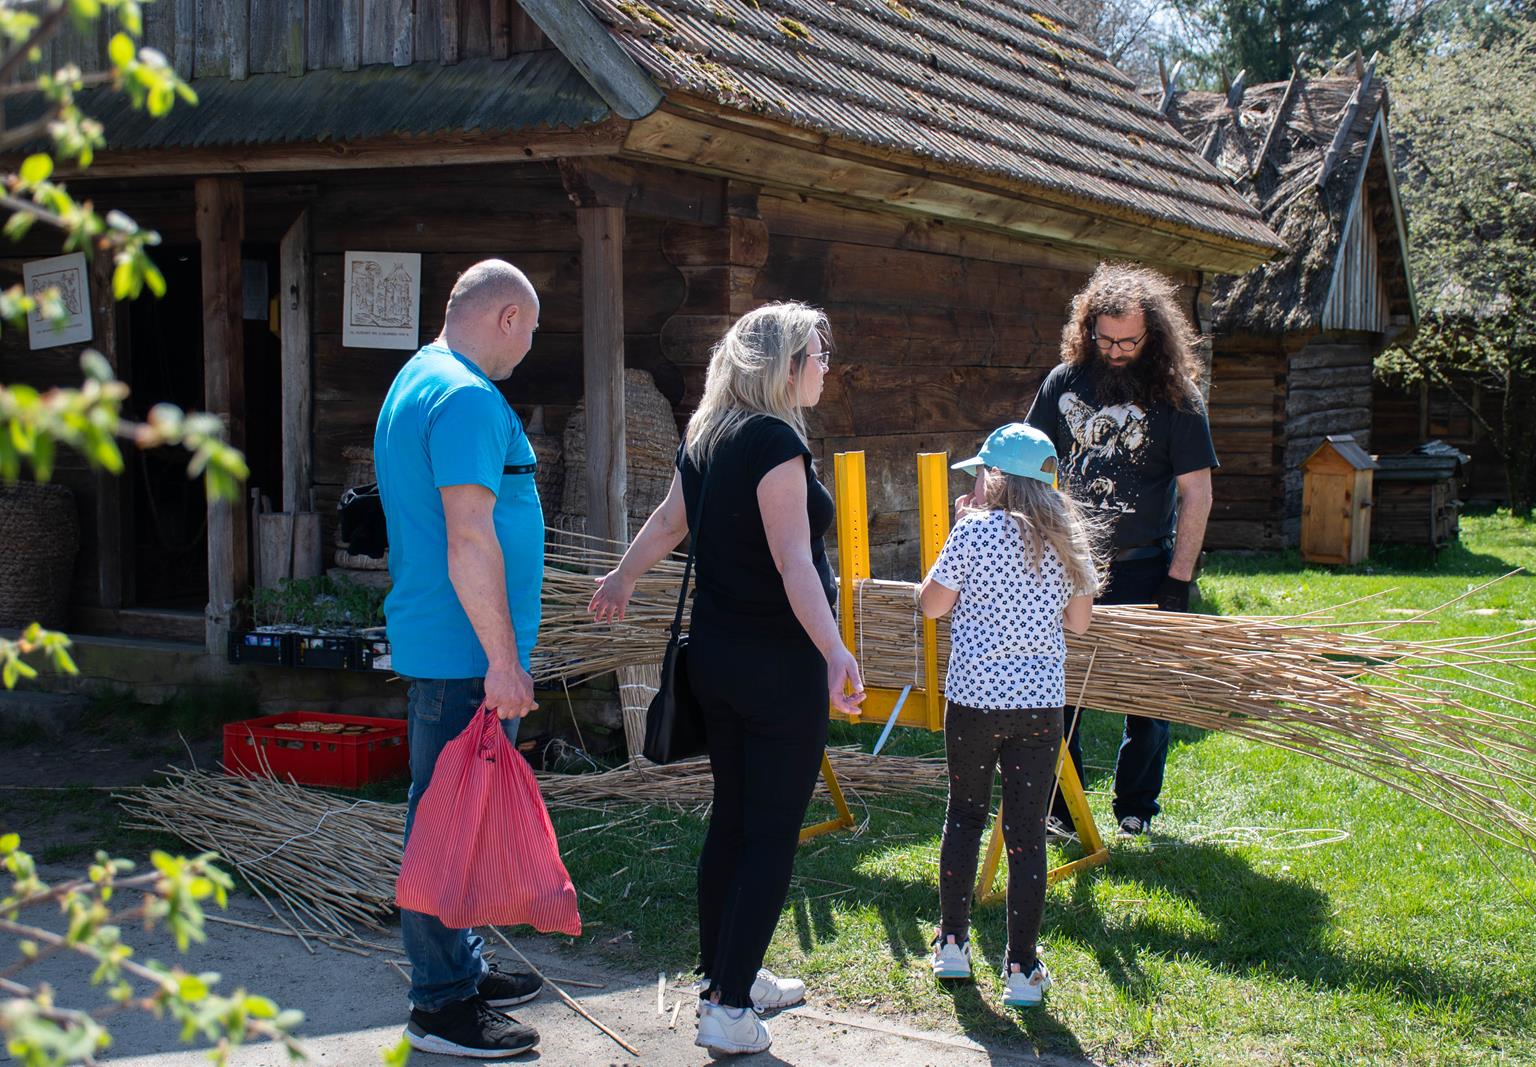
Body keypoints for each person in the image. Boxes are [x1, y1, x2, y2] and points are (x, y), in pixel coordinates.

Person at [588, 301, 866, 1057]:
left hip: (717, 658)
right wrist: (836, 651)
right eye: (816, 354)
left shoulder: (708, 434)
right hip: (777, 667)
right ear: (784, 366)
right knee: (770, 833)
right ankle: (729, 1006)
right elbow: (794, 562)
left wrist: (623, 575)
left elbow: (668, 522)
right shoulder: (774, 441)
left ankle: (726, 974)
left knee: (735, 821)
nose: (825, 366)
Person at [375, 259, 548, 1059]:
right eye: (531, 329)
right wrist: (504, 662)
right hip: (466, 654)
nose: (530, 346)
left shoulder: (419, 376)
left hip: (446, 643)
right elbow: (470, 537)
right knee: (447, 825)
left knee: (459, 818)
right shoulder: (469, 396)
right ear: (508, 316)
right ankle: (441, 1005)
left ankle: (460, 967)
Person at [1025, 262, 1216, 838]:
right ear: (1088, 330)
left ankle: (1135, 807)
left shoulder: (1178, 396)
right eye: (1105, 339)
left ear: (1151, 334)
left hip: (1143, 569)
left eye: (1128, 341)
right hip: (1066, 566)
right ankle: (1063, 810)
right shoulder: (1063, 383)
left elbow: (1197, 493)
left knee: (1148, 699)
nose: (1115, 351)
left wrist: (1178, 579)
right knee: (1056, 693)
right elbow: (1028, 463)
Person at [916, 423, 1099, 1008]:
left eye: (979, 474)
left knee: (964, 815)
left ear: (996, 478)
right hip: (1038, 708)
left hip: (972, 703)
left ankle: (952, 945)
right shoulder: (1066, 537)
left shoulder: (972, 531)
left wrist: (960, 534)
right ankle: (1021, 969)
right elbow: (1080, 623)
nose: (974, 483)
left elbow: (931, 605)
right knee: (1026, 833)